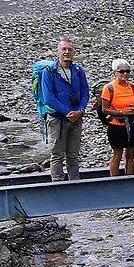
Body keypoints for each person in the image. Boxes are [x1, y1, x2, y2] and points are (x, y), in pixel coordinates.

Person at [35, 37, 91, 181]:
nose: (67, 52)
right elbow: (49, 98)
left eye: (69, 49)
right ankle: (58, 185)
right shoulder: (49, 72)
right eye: (63, 49)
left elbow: (85, 93)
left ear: (74, 52)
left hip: (76, 118)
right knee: (57, 155)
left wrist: (81, 111)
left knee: (73, 154)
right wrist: (67, 112)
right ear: (57, 52)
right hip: (57, 119)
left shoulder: (78, 71)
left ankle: (75, 183)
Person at [97, 59, 134, 176]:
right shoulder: (109, 88)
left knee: (130, 155)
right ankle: (115, 182)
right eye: (121, 71)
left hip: (131, 125)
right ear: (115, 72)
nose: (125, 74)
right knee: (117, 154)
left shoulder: (133, 87)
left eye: (127, 71)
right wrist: (123, 112)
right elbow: (105, 109)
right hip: (115, 125)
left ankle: (130, 180)